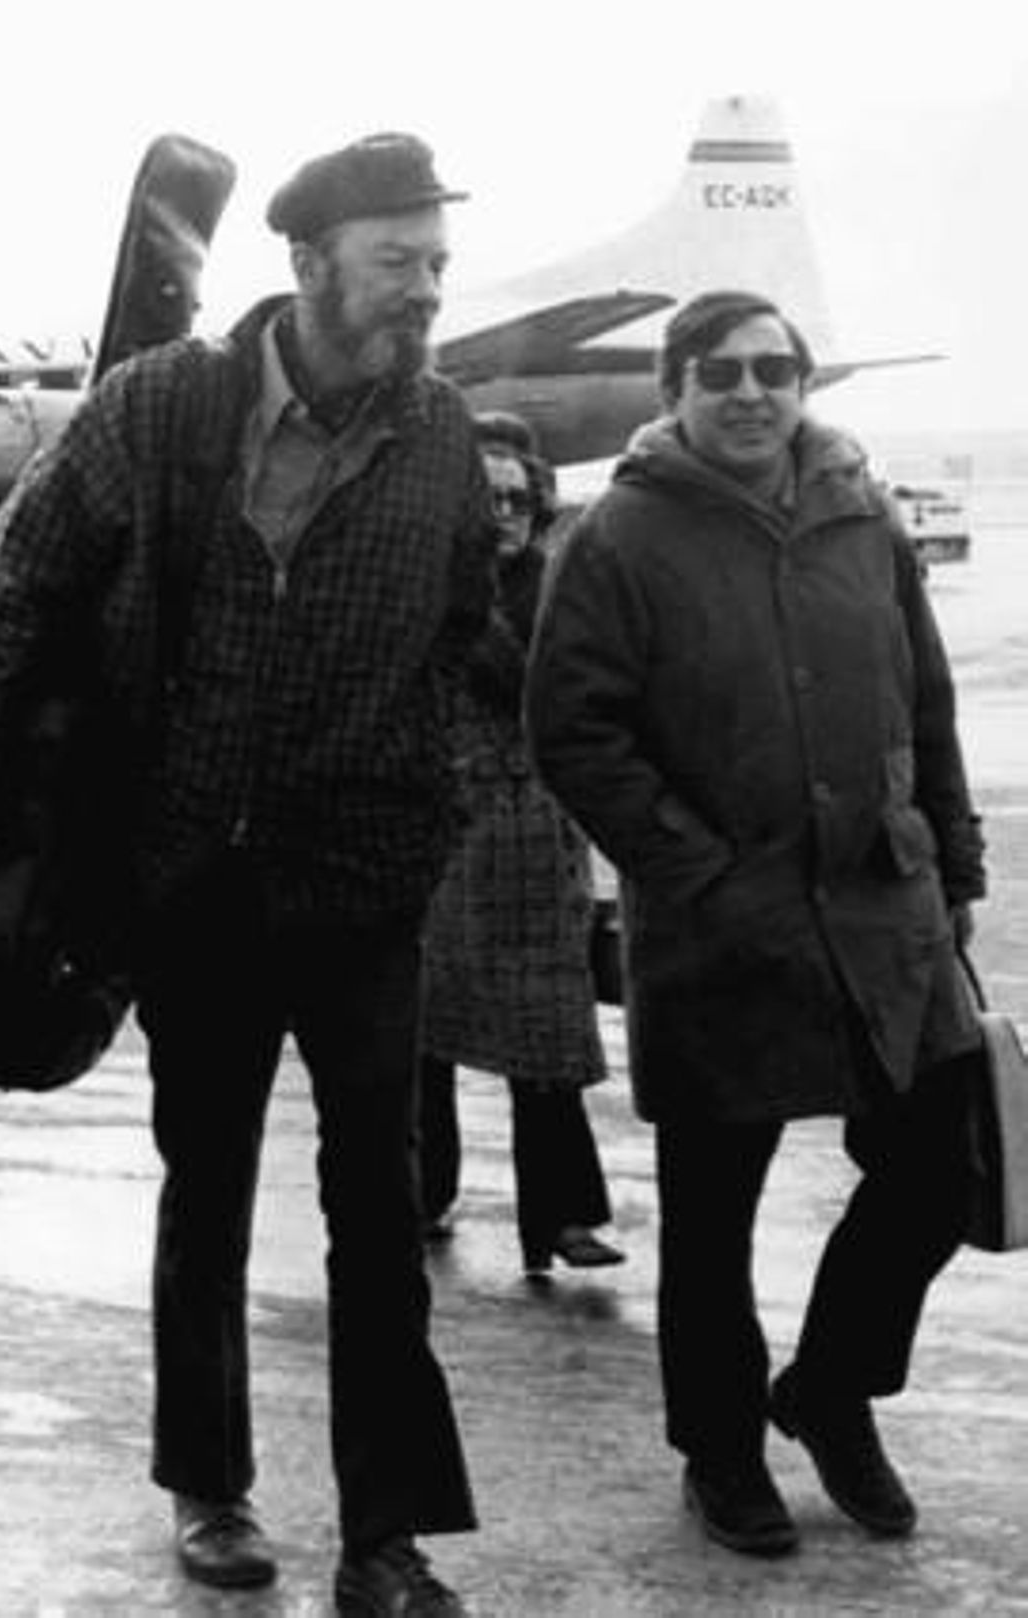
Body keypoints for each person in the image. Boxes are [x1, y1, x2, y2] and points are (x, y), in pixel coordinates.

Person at [0, 132, 494, 1616]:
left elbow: (474, 651)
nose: (423, 290)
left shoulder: (440, 440)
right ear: (308, 265)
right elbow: (11, 588)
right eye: (396, 261)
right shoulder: (161, 408)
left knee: (380, 1201)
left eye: (436, 262)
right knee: (207, 1187)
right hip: (192, 887)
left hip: (361, 885)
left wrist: (441, 803)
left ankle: (388, 1534)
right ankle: (210, 1488)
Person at [526, 290, 987, 1558]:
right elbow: (571, 727)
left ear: (803, 383)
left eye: (773, 369)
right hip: (724, 925)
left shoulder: (862, 514)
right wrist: (693, 866)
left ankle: (831, 1389)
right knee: (715, 1213)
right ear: (674, 386)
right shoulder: (619, 535)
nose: (749, 391)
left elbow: (927, 700)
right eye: (719, 370)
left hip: (884, 911)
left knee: (938, 1169)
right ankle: (721, 1453)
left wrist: (954, 858)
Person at [418, 412, 624, 1276]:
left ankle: (565, 1218)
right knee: (423, 1036)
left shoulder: (564, 593)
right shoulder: (422, 591)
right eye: (485, 497)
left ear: (539, 508)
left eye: (516, 498)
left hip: (539, 841)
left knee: (550, 1037)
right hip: (443, 837)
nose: (503, 512)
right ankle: (421, 1192)